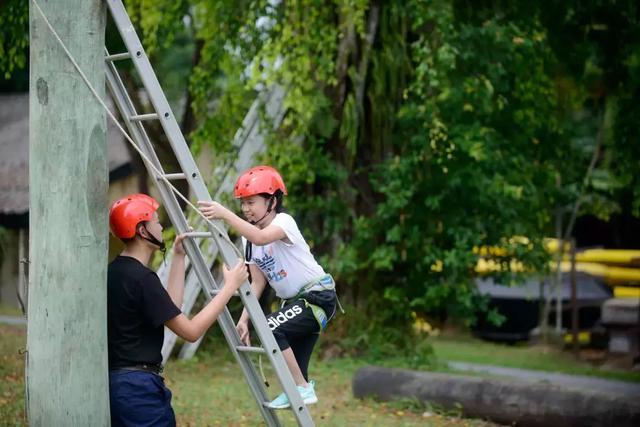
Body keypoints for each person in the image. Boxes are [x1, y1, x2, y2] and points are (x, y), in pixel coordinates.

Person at [198, 165, 338, 409]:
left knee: (270, 328)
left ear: (272, 201)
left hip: (317, 297)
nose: (245, 209)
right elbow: (258, 281)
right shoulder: (248, 238)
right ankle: (299, 389)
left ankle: (302, 389)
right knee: (293, 364)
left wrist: (225, 214)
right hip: (294, 303)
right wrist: (245, 318)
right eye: (242, 203)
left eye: (251, 202)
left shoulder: (284, 222)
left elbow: (261, 237)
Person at [107, 193, 248, 426]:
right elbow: (191, 332)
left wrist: (178, 257)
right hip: (138, 390)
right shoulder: (142, 279)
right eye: (156, 221)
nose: (161, 226)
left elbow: (170, 308)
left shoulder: (117, 272)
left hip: (118, 386)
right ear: (143, 231)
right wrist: (229, 287)